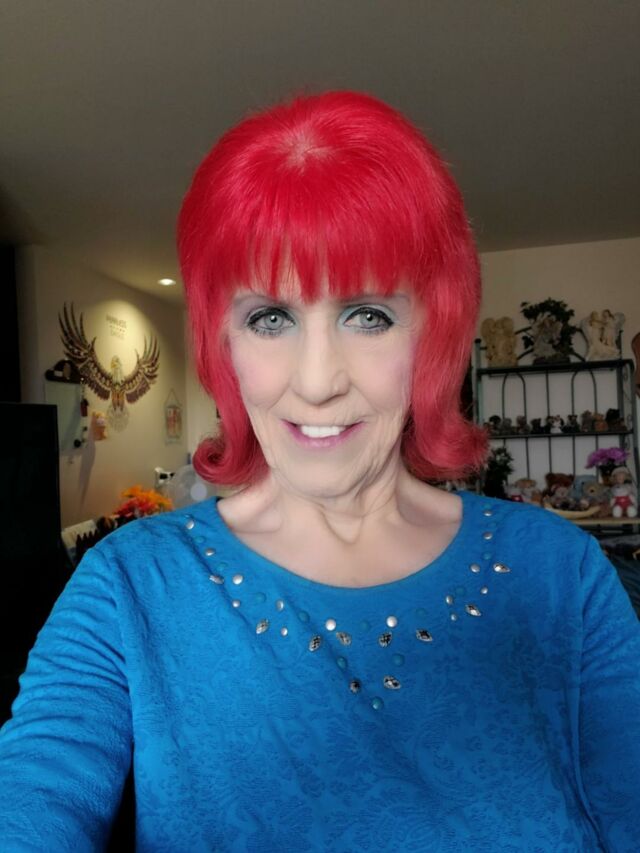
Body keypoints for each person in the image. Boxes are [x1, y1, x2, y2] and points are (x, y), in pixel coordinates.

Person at [1, 91, 639, 852]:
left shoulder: (561, 572)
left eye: (368, 315)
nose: (316, 382)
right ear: (224, 345)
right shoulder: (129, 586)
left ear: (432, 334)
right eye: (269, 318)